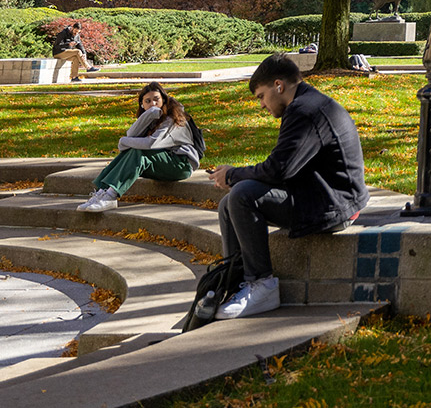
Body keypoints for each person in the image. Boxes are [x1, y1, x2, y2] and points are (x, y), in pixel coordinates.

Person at [203, 55, 369, 321]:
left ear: (278, 85)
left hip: (333, 205)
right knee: (228, 204)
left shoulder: (305, 111)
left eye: (261, 96)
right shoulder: (306, 103)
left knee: (243, 196)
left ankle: (262, 286)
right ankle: (234, 283)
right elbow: (283, 167)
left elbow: (279, 170)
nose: (261, 105)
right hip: (319, 194)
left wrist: (233, 174)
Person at [80, 83, 203, 212]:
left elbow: (151, 144)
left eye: (157, 99)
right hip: (162, 162)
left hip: (181, 165)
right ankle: (102, 192)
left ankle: (110, 196)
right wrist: (147, 115)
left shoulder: (172, 118)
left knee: (139, 153)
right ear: (142, 104)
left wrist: (123, 141)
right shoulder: (152, 118)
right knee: (133, 152)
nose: (153, 104)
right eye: (148, 101)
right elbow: (132, 135)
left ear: (164, 100)